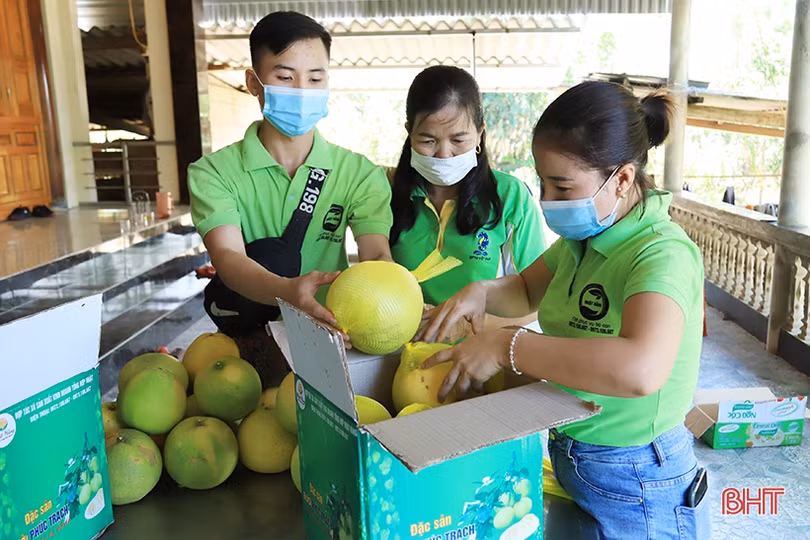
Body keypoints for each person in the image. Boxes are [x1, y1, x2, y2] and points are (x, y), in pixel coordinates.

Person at [418, 81, 709, 539]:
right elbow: (526, 290)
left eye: (562, 185)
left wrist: (508, 345)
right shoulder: (583, 239)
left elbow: (641, 369)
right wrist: (482, 292)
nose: (548, 200)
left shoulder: (660, 254)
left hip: (638, 479)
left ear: (623, 179)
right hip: (579, 455)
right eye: (542, 182)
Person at [188, 11, 393, 385]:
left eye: (315, 78)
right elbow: (228, 257)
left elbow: (376, 254)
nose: (302, 91)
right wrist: (287, 292)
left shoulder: (360, 173)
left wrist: (393, 304)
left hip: (332, 339)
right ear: (254, 82)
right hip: (246, 347)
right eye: (285, 77)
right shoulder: (212, 173)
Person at [389, 66, 545, 329]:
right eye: (428, 141)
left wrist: (465, 327)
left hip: (480, 351)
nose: (444, 154)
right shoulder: (387, 191)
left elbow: (539, 303)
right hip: (396, 349)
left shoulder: (509, 197)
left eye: (458, 140)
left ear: (480, 133)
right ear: (409, 132)